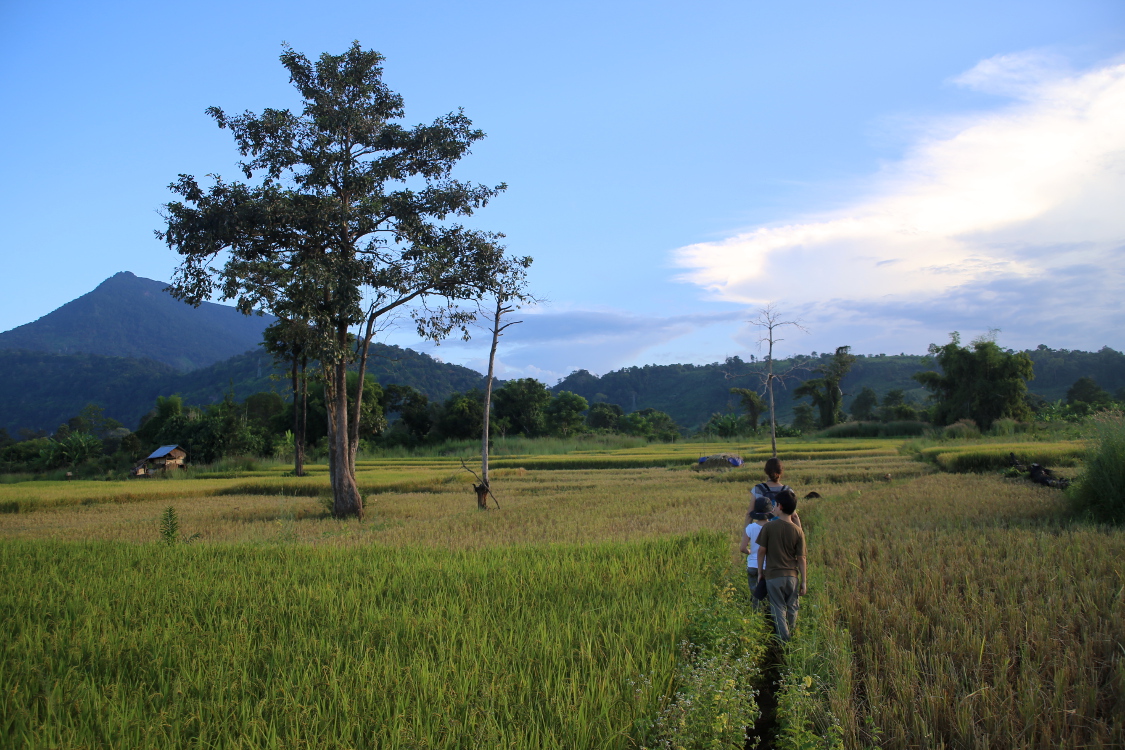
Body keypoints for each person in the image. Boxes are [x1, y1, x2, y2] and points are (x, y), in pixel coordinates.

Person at [755, 488, 807, 642]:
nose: (774, 507)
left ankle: (784, 641)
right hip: (792, 576)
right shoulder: (798, 531)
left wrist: (760, 572)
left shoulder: (769, 527)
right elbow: (801, 558)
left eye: (776, 505)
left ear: (781, 507)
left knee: (778, 608)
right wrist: (804, 581)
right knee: (792, 607)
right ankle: (792, 636)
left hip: (773, 576)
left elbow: (761, 552)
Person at [750, 457, 802, 530]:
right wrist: (800, 535)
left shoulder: (758, 489)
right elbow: (794, 516)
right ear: (781, 471)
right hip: (784, 531)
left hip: (763, 532)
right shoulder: (788, 491)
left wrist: (746, 536)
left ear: (766, 471)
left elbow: (749, 514)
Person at [739, 496, 773, 603]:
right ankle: (768, 616)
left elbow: (742, 548)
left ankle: (755, 615)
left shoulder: (750, 527)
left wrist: (750, 552)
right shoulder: (773, 527)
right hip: (768, 566)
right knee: (769, 595)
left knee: (755, 595)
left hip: (753, 565)